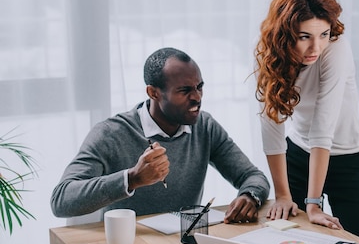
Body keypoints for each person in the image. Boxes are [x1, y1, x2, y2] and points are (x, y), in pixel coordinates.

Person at [51, 47, 269, 223]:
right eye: (184, 91)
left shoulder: (205, 126)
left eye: (200, 87)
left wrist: (249, 196)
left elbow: (253, 177)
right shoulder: (111, 134)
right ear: (153, 92)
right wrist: (132, 178)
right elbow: (61, 201)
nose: (197, 97)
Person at [254, 0, 359, 243]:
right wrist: (282, 194)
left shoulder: (337, 47)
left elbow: (323, 127)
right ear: (284, 35)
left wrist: (313, 203)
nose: (316, 48)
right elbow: (271, 125)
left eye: (323, 34)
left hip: (347, 158)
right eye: (304, 37)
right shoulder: (268, 52)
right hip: (298, 156)